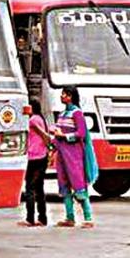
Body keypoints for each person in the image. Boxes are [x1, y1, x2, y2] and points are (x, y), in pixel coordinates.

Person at [53, 86, 99, 228]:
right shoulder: (61, 114)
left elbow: (81, 134)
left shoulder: (77, 113)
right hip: (61, 154)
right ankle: (70, 217)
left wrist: (65, 136)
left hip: (74, 155)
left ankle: (88, 218)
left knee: (79, 184)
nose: (62, 97)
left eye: (64, 94)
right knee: (64, 184)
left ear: (71, 96)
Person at [18, 99, 51, 227]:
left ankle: (30, 218)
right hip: (42, 156)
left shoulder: (32, 120)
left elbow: (43, 136)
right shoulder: (41, 119)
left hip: (33, 158)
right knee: (39, 189)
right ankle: (43, 218)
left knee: (30, 188)